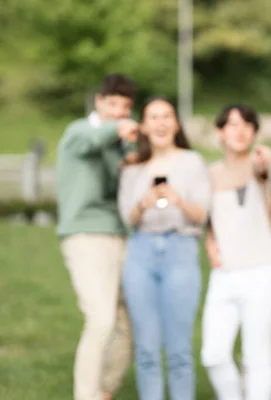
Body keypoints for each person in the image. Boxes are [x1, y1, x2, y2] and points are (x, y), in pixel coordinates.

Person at [118, 96, 211, 400]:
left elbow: (201, 214)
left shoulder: (191, 161)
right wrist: (144, 203)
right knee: (146, 349)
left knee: (179, 350)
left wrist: (177, 198)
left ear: (176, 123)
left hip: (180, 249)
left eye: (166, 116)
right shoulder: (133, 167)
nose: (160, 123)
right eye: (153, 117)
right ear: (143, 126)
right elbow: (127, 218)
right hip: (141, 253)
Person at [56, 73, 138, 400]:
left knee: (132, 325)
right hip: (85, 236)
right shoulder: (78, 131)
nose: (119, 112)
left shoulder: (121, 143)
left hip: (120, 236)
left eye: (126, 107)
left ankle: (103, 390)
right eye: (114, 104)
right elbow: (93, 141)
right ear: (99, 102)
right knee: (101, 320)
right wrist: (120, 130)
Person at [201, 105, 271, 400]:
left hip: (261, 271)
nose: (241, 129)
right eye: (233, 124)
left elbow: (262, 172)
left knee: (255, 357)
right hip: (224, 274)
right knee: (213, 354)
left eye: (248, 124)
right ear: (219, 132)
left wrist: (263, 163)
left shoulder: (258, 164)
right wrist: (210, 244)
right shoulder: (209, 174)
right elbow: (207, 219)